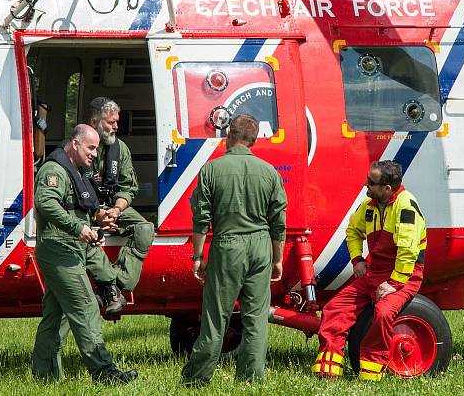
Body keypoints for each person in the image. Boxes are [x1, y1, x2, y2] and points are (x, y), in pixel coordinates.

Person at [181, 114, 288, 387]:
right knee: (256, 319)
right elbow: (278, 222)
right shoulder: (269, 172)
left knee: (216, 318)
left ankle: (196, 379)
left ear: (229, 135)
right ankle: (251, 380)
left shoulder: (211, 170)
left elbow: (201, 218)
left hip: (227, 247)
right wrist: (277, 259)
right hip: (261, 246)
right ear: (254, 140)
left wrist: (198, 257)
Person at [31, 124, 138, 385]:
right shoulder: (54, 170)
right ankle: (105, 373)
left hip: (69, 248)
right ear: (75, 144)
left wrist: (97, 221)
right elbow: (45, 203)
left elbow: (75, 207)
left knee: (57, 316)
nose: (94, 154)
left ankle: (44, 377)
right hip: (60, 249)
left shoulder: (76, 172)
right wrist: (78, 227)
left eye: (97, 149)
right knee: (87, 307)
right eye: (90, 148)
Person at [313, 160, 427, 381]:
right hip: (374, 272)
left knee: (383, 313)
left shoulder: (406, 207)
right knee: (335, 308)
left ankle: (372, 371)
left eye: (371, 183)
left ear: (386, 188)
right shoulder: (369, 204)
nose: (366, 186)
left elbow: (408, 251)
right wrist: (357, 260)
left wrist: (393, 284)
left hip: (404, 276)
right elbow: (353, 230)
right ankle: (329, 368)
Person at [83, 97, 155, 316]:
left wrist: (116, 210)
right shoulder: (77, 144)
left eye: (117, 121)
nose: (116, 126)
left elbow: (128, 187)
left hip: (112, 205)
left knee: (144, 229)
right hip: (83, 207)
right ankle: (110, 290)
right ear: (94, 123)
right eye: (110, 122)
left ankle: (116, 285)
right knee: (86, 235)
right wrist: (98, 215)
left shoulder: (120, 148)